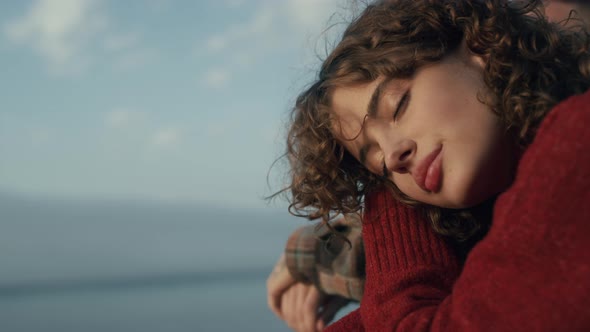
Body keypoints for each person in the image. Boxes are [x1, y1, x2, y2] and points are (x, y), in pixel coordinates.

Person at [268, 0, 590, 331]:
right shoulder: (474, 236)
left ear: (482, 46)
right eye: (375, 159)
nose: (393, 156)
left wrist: (384, 202)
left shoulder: (576, 136)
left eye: (399, 105)